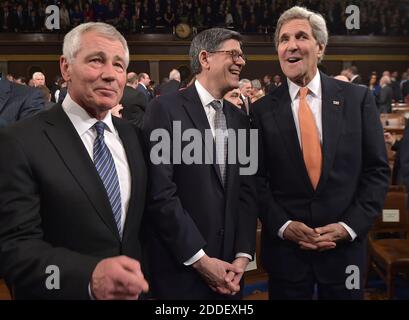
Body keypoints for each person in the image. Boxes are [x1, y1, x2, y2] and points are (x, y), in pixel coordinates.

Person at [0, 22, 149, 300]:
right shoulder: (19, 141)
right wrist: (89, 278)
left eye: (118, 65)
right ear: (66, 67)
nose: (110, 75)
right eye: (96, 60)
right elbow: (14, 251)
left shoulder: (135, 137)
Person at [252, 6, 390, 300]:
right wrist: (284, 226)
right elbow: (256, 179)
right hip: (287, 256)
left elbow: (376, 172)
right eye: (283, 39)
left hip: (345, 253)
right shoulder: (261, 111)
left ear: (320, 47)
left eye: (301, 36)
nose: (291, 45)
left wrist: (348, 227)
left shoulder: (358, 99)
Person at [142, 27, 257, 299]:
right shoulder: (164, 109)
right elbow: (161, 193)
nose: (241, 62)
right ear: (205, 59)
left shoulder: (242, 119)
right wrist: (200, 260)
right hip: (181, 271)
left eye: (242, 56)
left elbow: (247, 192)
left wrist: (242, 255)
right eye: (234, 54)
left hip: (231, 275)